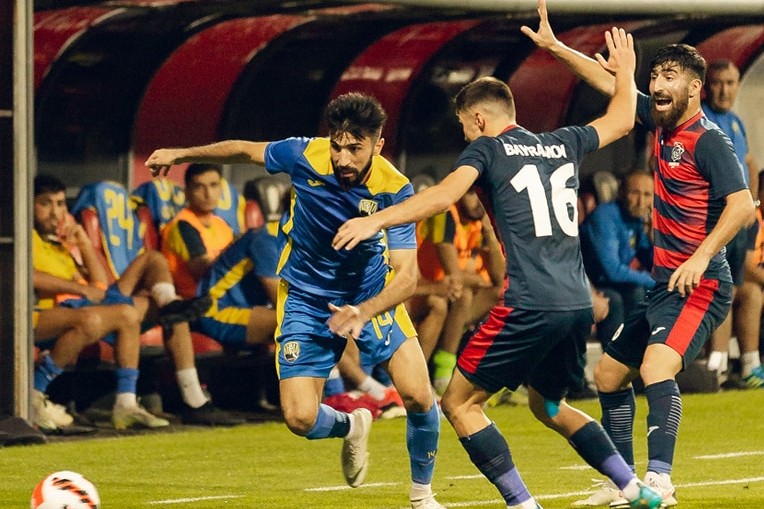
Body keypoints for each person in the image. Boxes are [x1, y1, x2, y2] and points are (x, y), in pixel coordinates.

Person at [333, 21, 665, 509]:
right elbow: (621, 117)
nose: (465, 133)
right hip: (577, 302)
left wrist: (375, 220)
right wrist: (625, 72)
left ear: (479, 119)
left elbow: (444, 195)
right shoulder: (563, 142)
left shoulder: (487, 148)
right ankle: (633, 487)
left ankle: (522, 504)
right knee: (548, 404)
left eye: (465, 125)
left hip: (529, 300)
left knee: (458, 403)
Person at [145, 93, 444, 509]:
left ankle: (422, 497)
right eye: (337, 146)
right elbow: (243, 150)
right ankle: (352, 426)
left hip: (368, 293)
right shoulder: (304, 154)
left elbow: (407, 276)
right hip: (305, 297)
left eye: (355, 149)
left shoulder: (395, 189)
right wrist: (180, 154)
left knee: (418, 396)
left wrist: (364, 310)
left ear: (377, 145)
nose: (342, 158)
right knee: (300, 418)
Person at [520, 1, 756, 505]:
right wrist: (556, 47)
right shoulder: (663, 122)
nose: (657, 84)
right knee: (608, 376)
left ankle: (661, 481)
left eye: (669, 76)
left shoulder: (709, 140)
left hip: (701, 284)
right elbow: (614, 87)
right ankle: (622, 481)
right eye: (655, 76)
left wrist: (700, 256)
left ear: (694, 87)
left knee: (654, 370)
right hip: (663, 286)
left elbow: (742, 206)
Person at [32, 175, 242, 429]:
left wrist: (84, 244)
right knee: (124, 313)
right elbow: (27, 275)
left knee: (166, 293)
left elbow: (99, 283)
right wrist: (81, 289)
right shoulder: (25, 237)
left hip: (92, 304)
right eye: (45, 204)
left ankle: (192, 400)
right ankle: (45, 394)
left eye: (60, 204)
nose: (55, 212)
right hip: (57, 312)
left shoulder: (63, 240)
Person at [162, 163, 279, 348]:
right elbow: (203, 271)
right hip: (198, 307)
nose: (208, 193)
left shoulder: (221, 224)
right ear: (187, 192)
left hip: (233, 301)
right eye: (200, 187)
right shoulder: (182, 226)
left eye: (214, 185)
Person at [701, 59, 763, 387]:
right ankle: (717, 368)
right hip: (713, 222)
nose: (724, 90)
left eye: (730, 83)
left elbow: (748, 161)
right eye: (718, 83)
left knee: (738, 291)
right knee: (720, 291)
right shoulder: (699, 120)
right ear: (705, 87)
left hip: (737, 223)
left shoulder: (735, 122)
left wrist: (751, 202)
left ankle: (742, 367)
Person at [417, 190, 505, 394]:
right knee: (460, 296)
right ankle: (442, 371)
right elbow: (454, 276)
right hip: (422, 288)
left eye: (482, 194)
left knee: (500, 293)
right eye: (472, 194)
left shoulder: (480, 221)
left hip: (450, 294)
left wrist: (490, 233)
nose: (478, 201)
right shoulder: (444, 213)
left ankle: (487, 372)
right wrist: (475, 279)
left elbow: (499, 279)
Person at [580, 169, 655, 349]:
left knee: (642, 292)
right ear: (621, 192)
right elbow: (612, 270)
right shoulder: (605, 216)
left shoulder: (636, 219)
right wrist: (656, 282)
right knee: (617, 298)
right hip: (587, 283)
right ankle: (614, 355)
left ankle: (638, 352)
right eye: (635, 193)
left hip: (610, 283)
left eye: (647, 195)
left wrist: (653, 236)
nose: (641, 201)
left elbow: (651, 262)